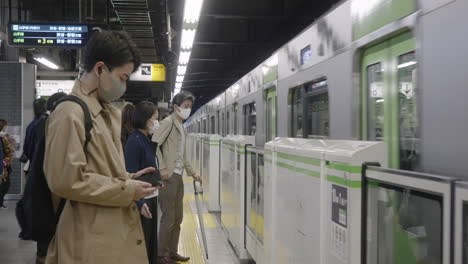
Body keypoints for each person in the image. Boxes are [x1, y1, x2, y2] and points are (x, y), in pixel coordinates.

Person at [43, 30, 158, 264]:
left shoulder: (105, 112)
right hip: (89, 242)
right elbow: (65, 180)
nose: (124, 86)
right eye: (123, 78)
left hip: (108, 233)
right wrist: (126, 190)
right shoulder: (70, 113)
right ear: (100, 69)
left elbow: (97, 168)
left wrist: (128, 177)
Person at [153, 91, 200, 264]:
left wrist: (193, 172)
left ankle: (172, 251)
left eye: (190, 107)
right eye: (185, 106)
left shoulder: (182, 126)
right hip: (169, 176)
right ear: (175, 107)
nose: (188, 110)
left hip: (178, 176)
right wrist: (163, 168)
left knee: (178, 217)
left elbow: (184, 155)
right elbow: (155, 145)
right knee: (168, 217)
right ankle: (161, 255)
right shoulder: (168, 123)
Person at [125, 101, 161, 264]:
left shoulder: (146, 139)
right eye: (155, 118)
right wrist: (139, 203)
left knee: (151, 240)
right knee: (143, 242)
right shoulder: (134, 141)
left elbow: (149, 168)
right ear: (145, 119)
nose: (157, 122)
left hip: (151, 196)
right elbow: (131, 175)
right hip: (142, 200)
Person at [22, 99, 47, 168]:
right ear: (45, 109)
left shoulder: (30, 126)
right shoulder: (47, 124)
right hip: (42, 165)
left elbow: (26, 148)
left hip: (32, 164)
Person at [0, 119, 14, 209]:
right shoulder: (3, 138)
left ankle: (1, 202)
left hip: (4, 165)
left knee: (5, 185)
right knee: (4, 185)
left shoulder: (4, 137)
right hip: (3, 166)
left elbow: (9, 151)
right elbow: (9, 150)